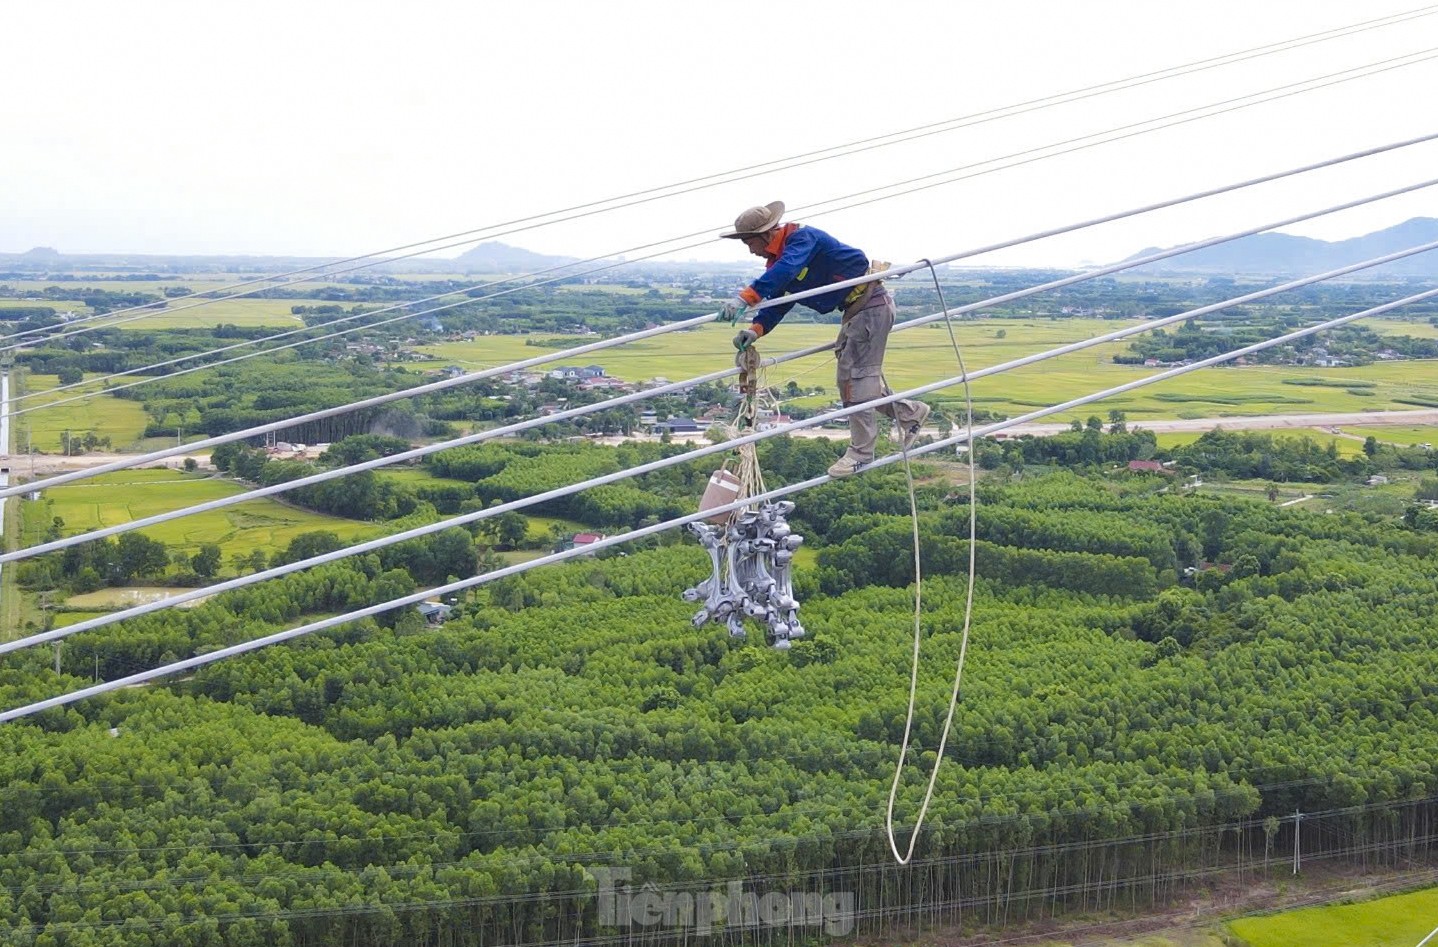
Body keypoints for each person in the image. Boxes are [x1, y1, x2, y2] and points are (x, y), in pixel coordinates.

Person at [718, 201, 930, 478]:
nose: (750, 250)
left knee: (857, 379)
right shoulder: (779, 259)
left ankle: (861, 453)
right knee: (852, 380)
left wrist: (747, 297)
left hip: (869, 306)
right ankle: (909, 414)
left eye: (749, 242)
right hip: (859, 310)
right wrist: (756, 329)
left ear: (766, 234)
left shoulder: (801, 239)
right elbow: (781, 299)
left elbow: (786, 271)